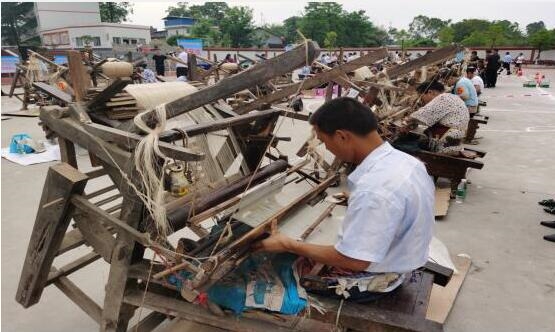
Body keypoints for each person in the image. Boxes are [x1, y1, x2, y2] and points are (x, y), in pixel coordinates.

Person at [254, 97, 435, 297]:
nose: (327, 148)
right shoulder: (407, 163)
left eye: (324, 141)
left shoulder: (374, 190)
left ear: (341, 137)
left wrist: (288, 244)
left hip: (376, 282)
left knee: (269, 274)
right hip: (403, 258)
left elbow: (354, 260)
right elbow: (395, 202)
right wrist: (356, 199)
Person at [400, 81, 469, 156]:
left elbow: (423, 113)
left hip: (447, 141)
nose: (422, 101)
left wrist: (407, 119)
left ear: (430, 92)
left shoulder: (443, 98)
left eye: (421, 97)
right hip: (456, 138)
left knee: (405, 146)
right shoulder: (451, 97)